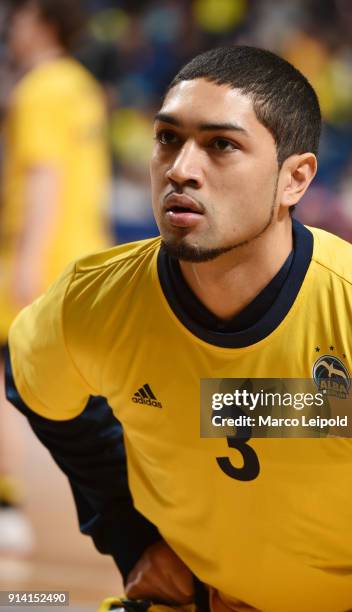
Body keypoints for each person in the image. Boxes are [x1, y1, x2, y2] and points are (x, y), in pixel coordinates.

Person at [4, 45, 352, 611]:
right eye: (167, 138)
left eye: (221, 145)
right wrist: (131, 534)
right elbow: (33, 381)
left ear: (295, 179)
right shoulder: (92, 306)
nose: (181, 168)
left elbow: (251, 409)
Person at [0, 0, 110, 552]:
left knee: (6, 377)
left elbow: (44, 175)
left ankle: (6, 502)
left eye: (18, 17)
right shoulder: (83, 85)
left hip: (37, 258)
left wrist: (26, 260)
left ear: (41, 22)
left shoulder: (39, 89)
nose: (11, 28)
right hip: (83, 255)